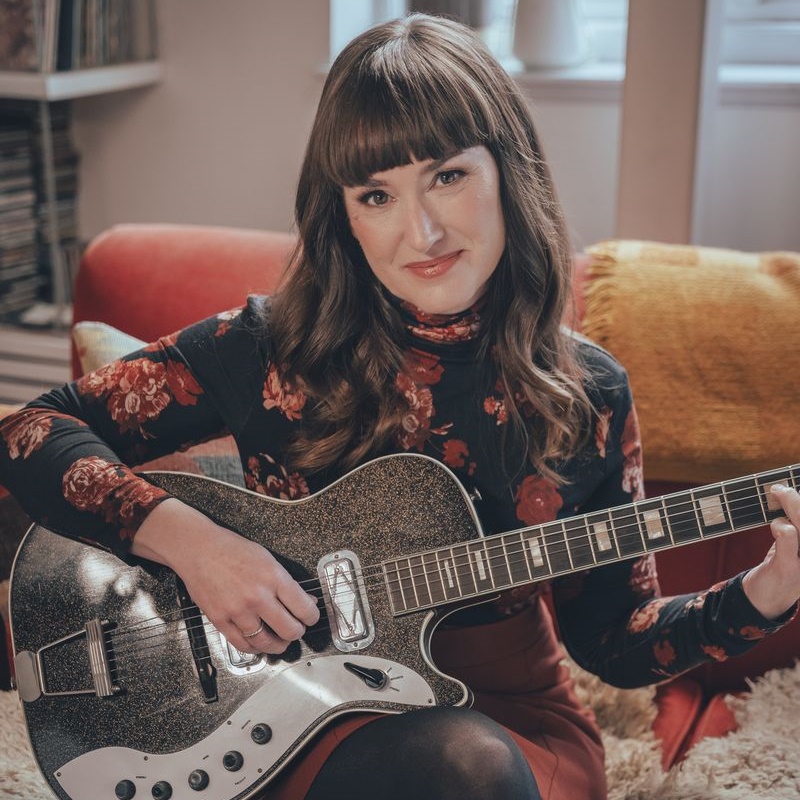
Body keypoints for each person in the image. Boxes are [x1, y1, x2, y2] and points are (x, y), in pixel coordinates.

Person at [1, 13, 799, 800]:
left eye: (447, 175)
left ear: (507, 170)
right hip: (293, 703)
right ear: (343, 214)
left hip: (507, 712)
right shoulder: (264, 347)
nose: (420, 232)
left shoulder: (588, 391)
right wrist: (194, 544)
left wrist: (767, 591)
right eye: (376, 195)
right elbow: (27, 429)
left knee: (472, 765)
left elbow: (615, 645)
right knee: (454, 768)